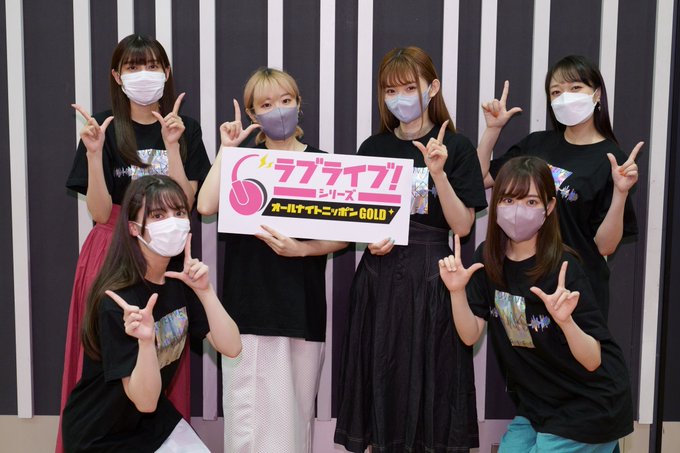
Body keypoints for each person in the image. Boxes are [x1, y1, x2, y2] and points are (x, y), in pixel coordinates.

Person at [59, 34, 210, 451]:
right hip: (112, 249)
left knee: (162, 349)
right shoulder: (104, 127)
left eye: (152, 65)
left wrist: (173, 146)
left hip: (163, 253)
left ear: (166, 73)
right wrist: (94, 155)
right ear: (117, 76)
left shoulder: (184, 127)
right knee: (111, 353)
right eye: (132, 66)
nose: (143, 74)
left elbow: (186, 202)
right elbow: (99, 211)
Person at [333, 47, 487, 453]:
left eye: (408, 88)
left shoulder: (457, 146)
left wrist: (439, 173)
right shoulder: (372, 148)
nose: (399, 98)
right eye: (390, 90)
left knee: (433, 381)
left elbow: (463, 226)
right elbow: (358, 219)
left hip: (433, 277)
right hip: (379, 277)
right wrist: (369, 239)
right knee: (380, 376)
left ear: (432, 88)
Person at [197, 67, 347, 453]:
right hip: (249, 311)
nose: (278, 109)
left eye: (285, 100)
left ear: (298, 104)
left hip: (302, 309)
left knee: (296, 422)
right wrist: (227, 151)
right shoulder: (242, 162)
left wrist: (303, 249)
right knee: (248, 426)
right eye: (265, 104)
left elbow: (345, 234)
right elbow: (205, 205)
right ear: (252, 114)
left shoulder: (323, 164)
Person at [438, 156, 634, 452]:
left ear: (550, 207)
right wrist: (456, 292)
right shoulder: (487, 259)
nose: (518, 211)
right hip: (538, 407)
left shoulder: (564, 267)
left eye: (531, 202)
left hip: (590, 406)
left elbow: (593, 359)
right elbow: (469, 335)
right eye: (508, 200)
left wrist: (566, 322)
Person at [61, 175, 241, 452]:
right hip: (100, 434)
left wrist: (205, 291)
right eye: (158, 215)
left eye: (179, 212)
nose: (173, 222)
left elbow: (232, 347)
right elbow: (144, 400)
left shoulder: (180, 280)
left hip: (151, 422)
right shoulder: (118, 300)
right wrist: (146, 342)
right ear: (134, 228)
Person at [477, 55, 639, 319]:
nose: (565, 97)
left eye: (575, 88)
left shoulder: (612, 160)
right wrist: (492, 129)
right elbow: (480, 179)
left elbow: (605, 246)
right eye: (556, 92)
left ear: (597, 94)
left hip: (575, 288)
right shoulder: (536, 144)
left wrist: (620, 193)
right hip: (525, 280)